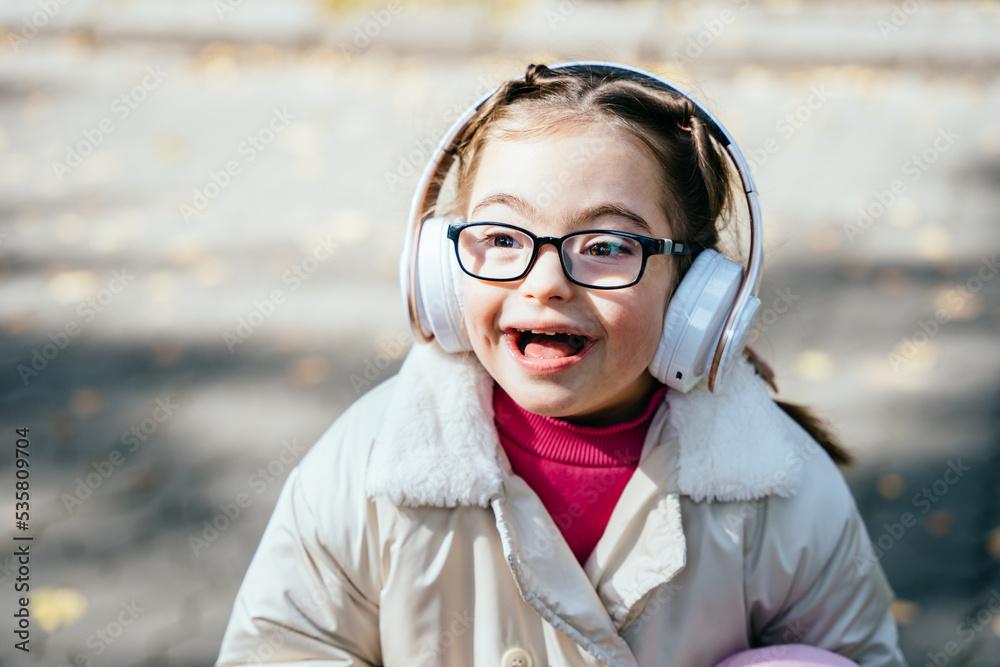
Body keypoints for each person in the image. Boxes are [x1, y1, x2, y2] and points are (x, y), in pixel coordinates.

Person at [215, 62, 907, 667]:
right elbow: (282, 646)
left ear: (700, 295)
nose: (545, 280)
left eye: (606, 246)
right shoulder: (369, 466)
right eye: (500, 236)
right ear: (438, 269)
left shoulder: (775, 491)